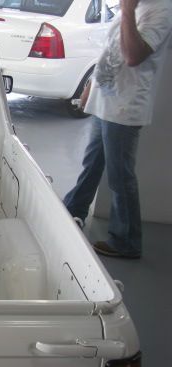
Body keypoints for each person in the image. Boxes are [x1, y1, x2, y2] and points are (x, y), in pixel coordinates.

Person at [63, 0, 172, 259]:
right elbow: (110, 49)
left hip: (124, 108)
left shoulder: (161, 10)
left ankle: (127, 240)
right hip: (106, 102)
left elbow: (133, 56)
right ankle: (73, 210)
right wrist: (90, 85)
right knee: (92, 164)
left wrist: (128, 11)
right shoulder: (134, 6)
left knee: (120, 176)